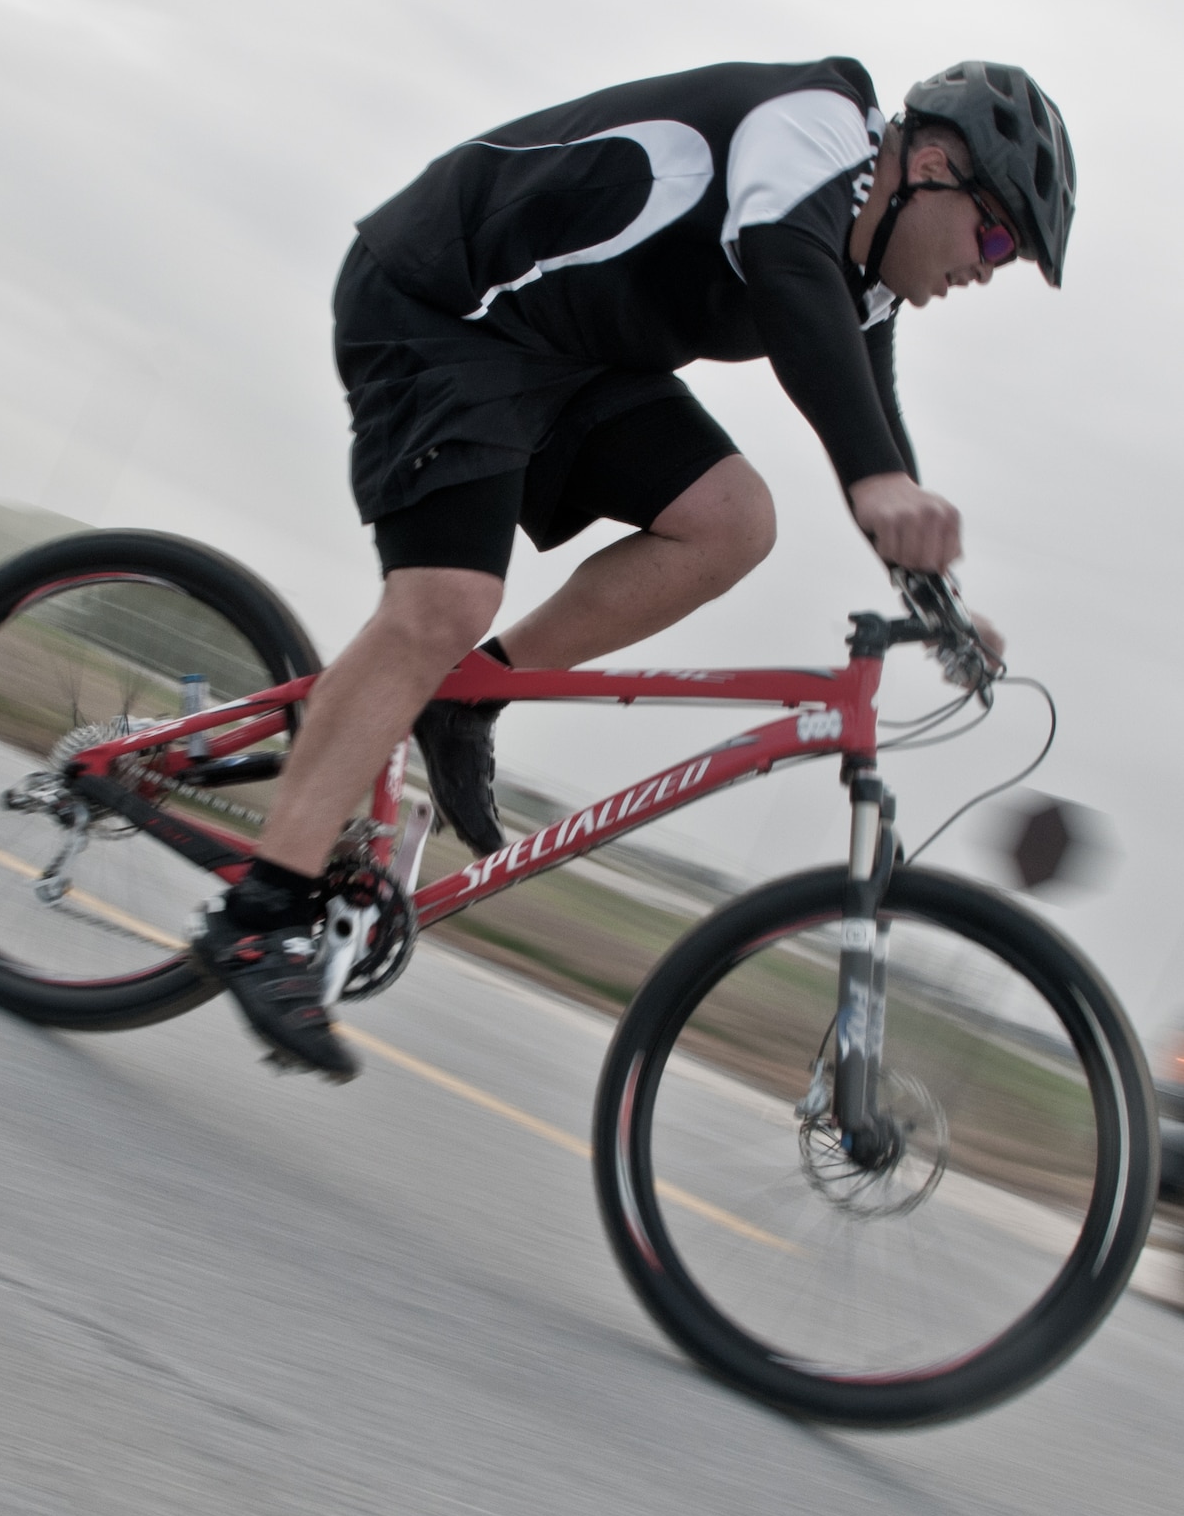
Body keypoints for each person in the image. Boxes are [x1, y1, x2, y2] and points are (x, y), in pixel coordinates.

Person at [192, 57, 1075, 1080]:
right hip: (451, 301)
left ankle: (469, 699)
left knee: (734, 520)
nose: (987, 269)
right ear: (928, 165)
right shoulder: (814, 128)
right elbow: (787, 272)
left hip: (573, 358)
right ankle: (260, 916)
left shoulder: (863, 275)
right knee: (446, 598)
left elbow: (866, 417)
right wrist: (877, 484)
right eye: (995, 238)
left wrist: (940, 600)